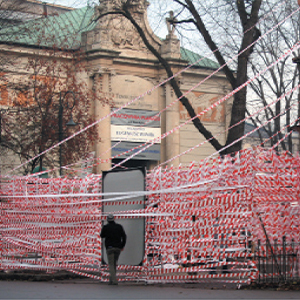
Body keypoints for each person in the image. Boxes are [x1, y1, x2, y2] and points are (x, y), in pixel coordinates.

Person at [100, 214, 127, 285]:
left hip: (110, 248)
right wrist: (122, 246)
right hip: (118, 248)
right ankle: (111, 280)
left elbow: (102, 235)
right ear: (114, 219)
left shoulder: (106, 227)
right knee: (114, 263)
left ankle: (114, 280)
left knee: (111, 264)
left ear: (107, 220)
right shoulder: (119, 227)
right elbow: (124, 236)